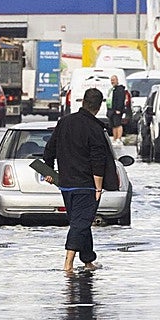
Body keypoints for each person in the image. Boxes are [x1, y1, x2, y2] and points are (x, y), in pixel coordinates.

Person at [43, 87, 110, 272]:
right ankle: (68, 264)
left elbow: (50, 148)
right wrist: (98, 188)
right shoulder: (95, 128)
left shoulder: (64, 122)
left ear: (82, 102)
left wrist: (48, 170)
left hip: (65, 185)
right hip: (86, 186)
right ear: (98, 107)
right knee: (80, 223)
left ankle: (88, 260)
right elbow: (98, 161)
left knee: (82, 222)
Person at [106, 75, 126, 145]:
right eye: (111, 80)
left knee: (118, 124)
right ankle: (114, 138)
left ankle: (119, 139)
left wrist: (119, 109)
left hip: (117, 110)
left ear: (117, 80)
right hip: (111, 110)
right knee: (113, 125)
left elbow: (121, 100)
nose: (112, 81)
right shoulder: (112, 90)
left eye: (113, 80)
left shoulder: (120, 90)